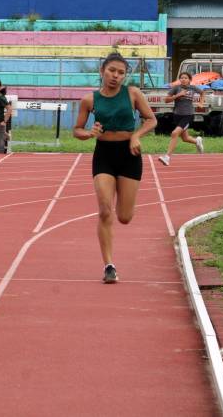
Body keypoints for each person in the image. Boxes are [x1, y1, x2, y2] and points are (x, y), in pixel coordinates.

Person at [73, 52, 157, 283]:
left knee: (124, 217)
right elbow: (77, 130)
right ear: (102, 71)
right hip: (104, 156)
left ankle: (124, 203)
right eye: (112, 71)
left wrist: (136, 136)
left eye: (121, 72)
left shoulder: (132, 93)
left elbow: (151, 119)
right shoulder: (89, 100)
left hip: (130, 155)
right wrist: (89, 133)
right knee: (104, 210)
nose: (116, 76)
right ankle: (109, 265)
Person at [158, 71, 205, 166]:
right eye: (182, 78)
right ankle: (197, 141)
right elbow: (166, 100)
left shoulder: (193, 88)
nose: (183, 79)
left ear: (189, 80)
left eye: (185, 78)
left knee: (174, 133)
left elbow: (202, 93)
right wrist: (178, 95)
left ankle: (167, 157)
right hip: (177, 115)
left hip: (188, 115)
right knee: (185, 138)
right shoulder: (176, 88)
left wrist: (201, 103)